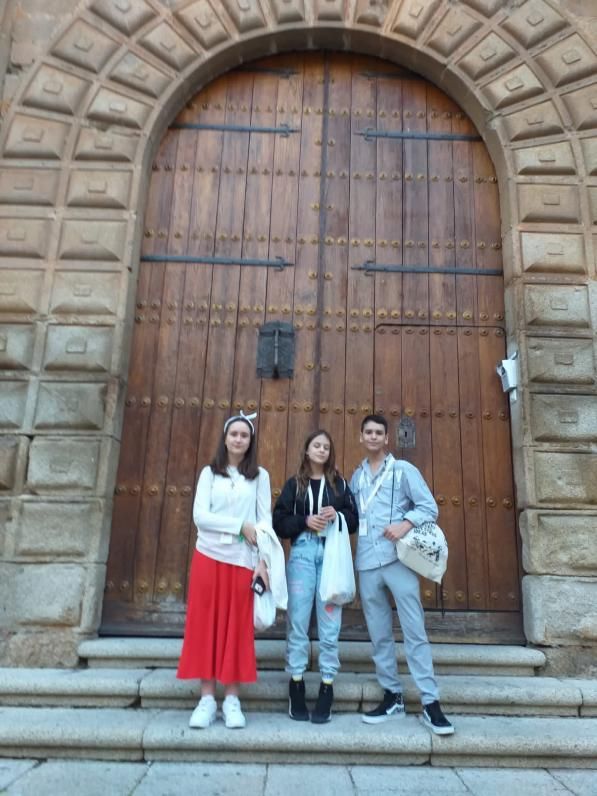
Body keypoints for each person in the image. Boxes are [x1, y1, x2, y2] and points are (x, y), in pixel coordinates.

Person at [350, 414, 454, 736]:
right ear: (361, 437)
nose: (373, 436)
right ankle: (392, 695)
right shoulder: (356, 477)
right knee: (380, 633)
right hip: (367, 562)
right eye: (367, 431)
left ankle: (430, 702)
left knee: (414, 630)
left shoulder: (403, 471)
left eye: (378, 432)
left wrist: (404, 524)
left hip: (398, 561)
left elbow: (429, 507)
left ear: (386, 438)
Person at [177, 412, 270, 730]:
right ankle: (206, 698)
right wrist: (239, 526)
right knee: (205, 625)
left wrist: (263, 560)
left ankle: (231, 699)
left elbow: (264, 522)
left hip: (242, 561)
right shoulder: (209, 473)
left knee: (235, 628)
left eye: (245, 435)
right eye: (234, 434)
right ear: (225, 437)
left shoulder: (259, 476)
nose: (239, 440)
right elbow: (200, 516)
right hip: (208, 557)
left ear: (250, 441)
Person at [273, 430, 358, 724]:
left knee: (330, 622)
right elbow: (279, 522)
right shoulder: (294, 485)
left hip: (331, 554)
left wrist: (337, 515)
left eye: (326, 446)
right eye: (316, 446)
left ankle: (327, 686)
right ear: (307, 451)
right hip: (303, 553)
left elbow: (354, 520)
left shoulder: (339, 484)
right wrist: (305, 521)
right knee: (297, 619)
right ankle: (296, 683)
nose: (321, 450)